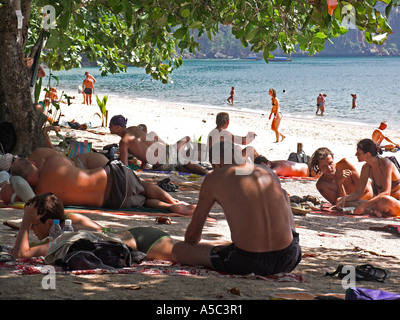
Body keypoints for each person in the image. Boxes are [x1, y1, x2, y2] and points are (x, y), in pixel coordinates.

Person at [172, 140, 301, 276]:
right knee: (284, 195)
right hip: (289, 258)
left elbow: (192, 238)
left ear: (216, 164)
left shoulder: (214, 178)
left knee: (179, 250)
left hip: (248, 262)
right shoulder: (268, 171)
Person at [1, 150, 196, 216]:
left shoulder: (44, 197)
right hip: (113, 176)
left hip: (112, 201)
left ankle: (170, 209)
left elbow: (12, 194)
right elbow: (74, 163)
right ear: (34, 164)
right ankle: (175, 203)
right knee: (143, 186)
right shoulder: (53, 162)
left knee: (143, 202)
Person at [10, 192, 177, 261]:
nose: (32, 229)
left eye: (33, 225)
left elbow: (20, 255)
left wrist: (25, 222)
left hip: (142, 242)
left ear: (48, 222)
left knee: (190, 254)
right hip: (134, 237)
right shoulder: (59, 232)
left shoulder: (63, 234)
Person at [108, 115, 208, 175]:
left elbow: (125, 166)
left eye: (110, 125)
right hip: (166, 150)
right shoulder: (134, 128)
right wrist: (143, 165)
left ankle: (206, 173)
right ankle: (206, 172)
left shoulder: (124, 142)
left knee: (181, 164)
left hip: (161, 163)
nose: (109, 127)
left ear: (118, 127)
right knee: (182, 162)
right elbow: (145, 145)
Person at [337, 139, 400, 217]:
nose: (356, 155)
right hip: (378, 203)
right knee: (340, 200)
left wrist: (364, 205)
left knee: (384, 200)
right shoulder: (366, 168)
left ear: (367, 154)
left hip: (393, 202)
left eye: (358, 153)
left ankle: (373, 211)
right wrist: (345, 199)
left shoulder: (385, 164)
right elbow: (358, 193)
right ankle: (376, 212)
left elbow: (387, 192)